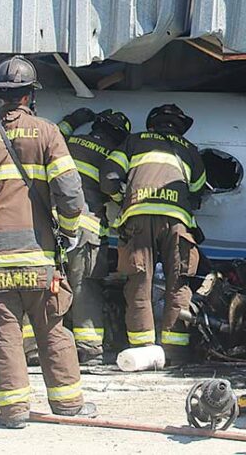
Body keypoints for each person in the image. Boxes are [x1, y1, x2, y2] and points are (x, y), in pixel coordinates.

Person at [0, 55, 95, 428]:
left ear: (0, 96)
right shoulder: (48, 133)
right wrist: (67, 231)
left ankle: (13, 411)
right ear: (30, 95)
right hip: (39, 259)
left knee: (4, 334)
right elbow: (70, 193)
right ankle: (69, 406)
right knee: (52, 328)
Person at [100, 103, 206, 366]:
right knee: (178, 283)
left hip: (138, 218)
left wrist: (122, 199)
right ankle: (175, 351)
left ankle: (142, 350)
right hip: (177, 222)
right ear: (180, 127)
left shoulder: (133, 142)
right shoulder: (190, 150)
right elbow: (198, 190)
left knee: (139, 281)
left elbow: (108, 176)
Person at [58, 106, 132, 363]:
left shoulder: (65, 141)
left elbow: (53, 133)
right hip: (85, 229)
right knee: (84, 286)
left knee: (44, 283)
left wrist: (74, 118)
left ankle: (34, 346)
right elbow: (111, 185)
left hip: (49, 225)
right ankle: (89, 349)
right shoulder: (114, 155)